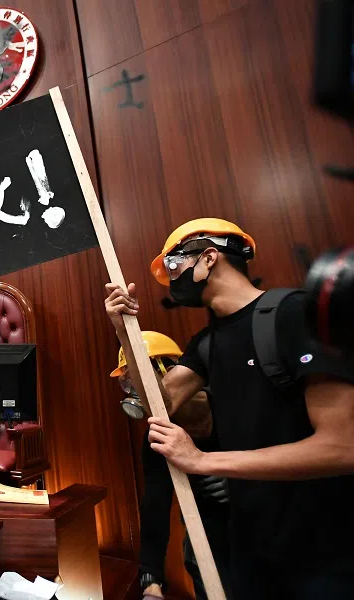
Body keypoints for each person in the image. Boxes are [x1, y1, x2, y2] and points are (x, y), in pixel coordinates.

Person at [103, 218, 354, 599]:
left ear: (208, 258)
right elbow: (163, 402)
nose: (172, 281)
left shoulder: (292, 315)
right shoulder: (206, 343)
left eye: (174, 266)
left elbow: (343, 447)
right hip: (251, 551)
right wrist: (125, 331)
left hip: (322, 552)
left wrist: (203, 461)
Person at [110, 331, 230, 600]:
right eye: (129, 384)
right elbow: (155, 507)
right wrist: (150, 581)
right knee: (198, 559)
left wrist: (239, 482)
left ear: (173, 371)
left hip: (265, 523)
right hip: (209, 531)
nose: (136, 392)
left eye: (139, 380)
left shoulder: (233, 406)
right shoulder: (160, 436)